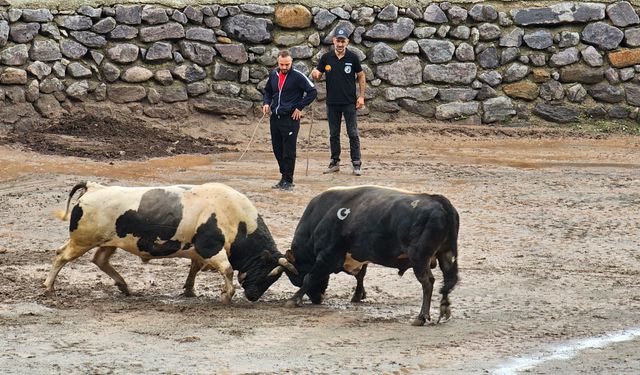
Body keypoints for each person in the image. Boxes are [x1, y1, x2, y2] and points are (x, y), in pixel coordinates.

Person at [311, 27, 366, 176]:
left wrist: (361, 96)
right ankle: (335, 162)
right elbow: (318, 74)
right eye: (338, 41)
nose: (340, 44)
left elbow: (361, 76)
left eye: (343, 41)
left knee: (352, 133)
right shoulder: (326, 58)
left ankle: (356, 163)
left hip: (349, 103)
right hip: (332, 103)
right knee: (334, 134)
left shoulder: (353, 57)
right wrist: (315, 73)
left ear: (347, 42)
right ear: (333, 40)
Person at [263, 50, 317, 191]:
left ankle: (289, 180)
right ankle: (283, 177)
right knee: (277, 149)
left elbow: (312, 92)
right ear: (278, 62)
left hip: (290, 119)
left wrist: (299, 107)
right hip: (275, 117)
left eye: (287, 64)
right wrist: (266, 103)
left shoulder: (298, 76)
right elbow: (268, 91)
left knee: (289, 151)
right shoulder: (273, 74)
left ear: (291, 62)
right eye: (282, 64)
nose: (284, 67)